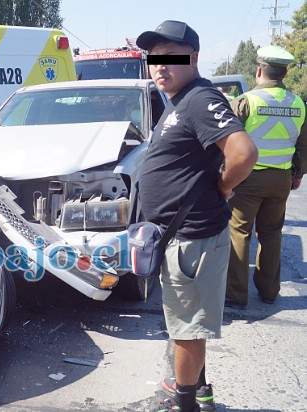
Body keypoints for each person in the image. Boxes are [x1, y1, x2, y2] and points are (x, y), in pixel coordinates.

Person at [135, 21, 257, 412]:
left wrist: (223, 187)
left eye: (170, 57)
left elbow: (243, 153)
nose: (160, 66)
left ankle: (183, 403)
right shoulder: (181, 100)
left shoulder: (201, 99)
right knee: (183, 321)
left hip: (193, 236)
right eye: (154, 58)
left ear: (193, 57)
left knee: (188, 328)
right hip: (179, 235)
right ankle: (197, 389)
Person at [225, 45, 307, 309]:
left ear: (259, 70)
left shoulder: (246, 102)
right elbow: (303, 146)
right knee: (271, 233)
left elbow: (229, 144)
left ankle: (236, 295)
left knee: (239, 231)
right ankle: (269, 291)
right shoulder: (299, 103)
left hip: (248, 180)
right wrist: (298, 174)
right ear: (283, 73)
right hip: (281, 178)